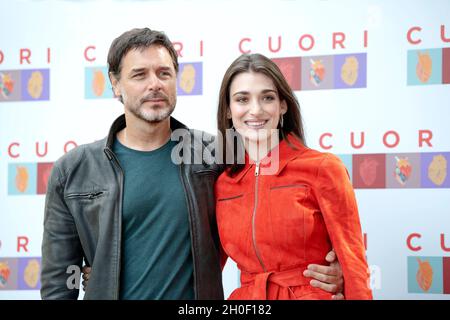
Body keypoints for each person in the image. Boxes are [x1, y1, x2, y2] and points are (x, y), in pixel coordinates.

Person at [41, 27, 345, 300]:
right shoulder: (74, 171)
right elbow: (58, 283)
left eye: (164, 73)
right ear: (115, 84)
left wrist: (328, 271)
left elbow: (277, 210)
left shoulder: (219, 155)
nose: (155, 84)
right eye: (139, 75)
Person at [215, 53, 372, 299]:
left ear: (283, 105)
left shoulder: (322, 167)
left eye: (267, 98)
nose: (255, 110)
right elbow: (206, 268)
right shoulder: (221, 182)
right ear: (228, 110)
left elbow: (353, 262)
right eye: (242, 99)